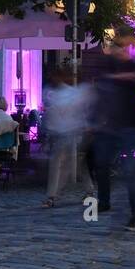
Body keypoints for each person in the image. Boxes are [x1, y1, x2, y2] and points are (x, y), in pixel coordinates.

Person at [91, 32, 135, 231]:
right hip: (109, 125)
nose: (121, 50)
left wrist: (124, 76)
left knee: (130, 170)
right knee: (100, 163)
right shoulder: (109, 64)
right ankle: (103, 201)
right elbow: (100, 83)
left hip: (130, 124)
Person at [42, 67, 94, 208]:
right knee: (66, 165)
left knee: (73, 165)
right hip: (62, 134)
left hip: (73, 133)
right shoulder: (52, 93)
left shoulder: (71, 93)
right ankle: (53, 195)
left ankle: (53, 195)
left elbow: (79, 112)